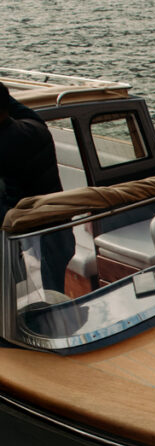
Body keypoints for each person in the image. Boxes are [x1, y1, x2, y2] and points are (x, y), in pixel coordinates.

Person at [1, 81, 68, 291]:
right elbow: (15, 107)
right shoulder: (36, 127)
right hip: (56, 225)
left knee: (16, 291)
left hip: (19, 229)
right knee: (54, 287)